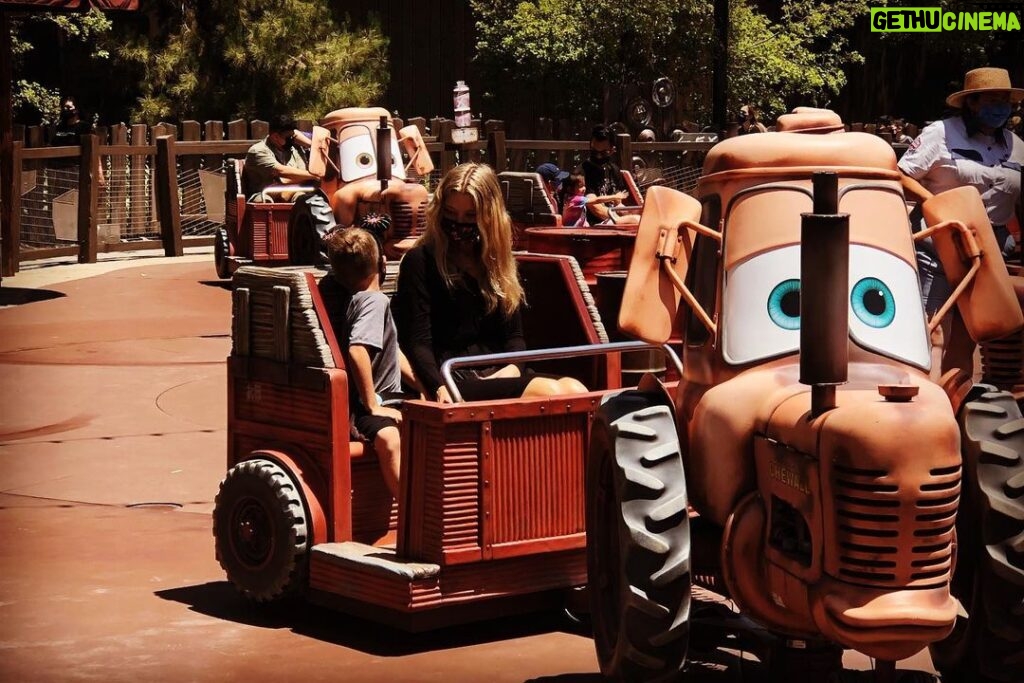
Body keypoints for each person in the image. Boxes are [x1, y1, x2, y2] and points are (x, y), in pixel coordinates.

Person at [394, 163, 588, 403]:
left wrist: (513, 369)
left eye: (470, 216)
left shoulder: (496, 263)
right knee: (549, 393)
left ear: (488, 217)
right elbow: (417, 342)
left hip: (499, 372)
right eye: (451, 214)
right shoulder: (421, 261)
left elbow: (514, 336)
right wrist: (437, 387)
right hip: (453, 376)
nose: (459, 224)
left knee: (576, 389)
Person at [898, 66, 1024, 373]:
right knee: (932, 327)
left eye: (1005, 102)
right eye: (992, 101)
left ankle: (959, 403)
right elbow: (900, 174)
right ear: (973, 102)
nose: (1000, 109)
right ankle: (922, 401)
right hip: (939, 242)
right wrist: (936, 203)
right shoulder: (940, 133)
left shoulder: (1016, 144)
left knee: (971, 332)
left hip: (989, 249)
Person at [322, 228, 421, 498]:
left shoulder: (358, 299)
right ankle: (412, 515)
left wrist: (423, 384)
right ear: (382, 263)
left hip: (386, 397)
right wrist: (373, 403)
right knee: (391, 439)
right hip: (376, 403)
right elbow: (358, 350)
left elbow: (391, 350)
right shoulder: (374, 301)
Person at [242, 114, 320, 200]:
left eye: (293, 136)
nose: (292, 139)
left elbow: (297, 176)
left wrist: (310, 145)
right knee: (262, 201)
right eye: (288, 137)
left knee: (302, 198)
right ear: (275, 137)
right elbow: (282, 172)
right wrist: (315, 176)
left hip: (292, 190)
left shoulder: (295, 149)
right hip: (263, 193)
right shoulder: (258, 151)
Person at [579, 125, 629, 224]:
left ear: (612, 150)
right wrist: (620, 220)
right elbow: (594, 207)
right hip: (594, 226)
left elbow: (618, 203)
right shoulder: (583, 172)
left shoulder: (614, 170)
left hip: (612, 221)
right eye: (594, 152)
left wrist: (629, 214)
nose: (598, 156)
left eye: (603, 153)